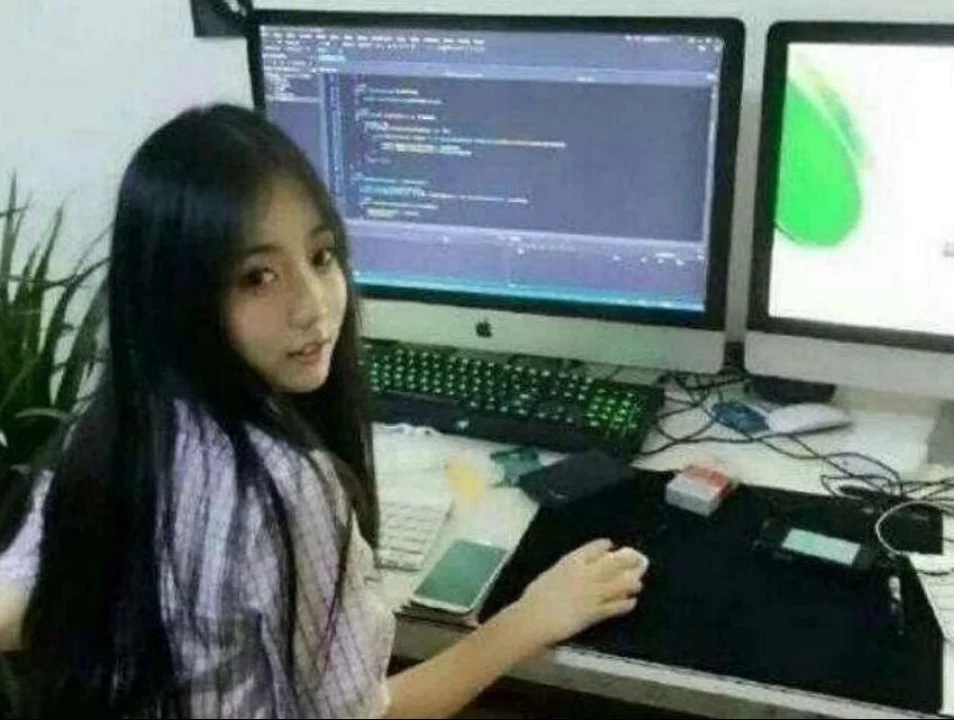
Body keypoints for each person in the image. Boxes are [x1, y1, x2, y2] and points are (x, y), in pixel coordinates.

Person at [0, 104, 648, 718]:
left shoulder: (108, 425)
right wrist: (531, 617)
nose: (314, 306)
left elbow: (22, 597)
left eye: (321, 256)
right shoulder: (285, 488)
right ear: (176, 296)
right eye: (258, 277)